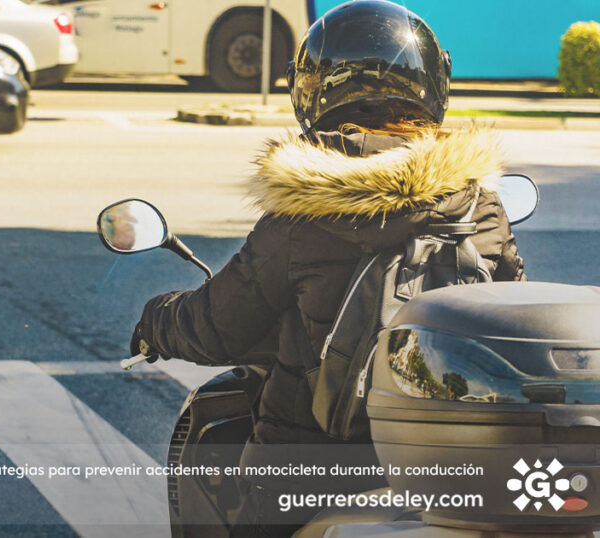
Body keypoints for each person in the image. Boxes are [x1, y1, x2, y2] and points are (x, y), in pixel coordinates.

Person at [129, 1, 525, 536]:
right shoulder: (478, 205)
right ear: (434, 83)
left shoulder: (301, 216)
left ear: (311, 91)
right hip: (452, 469)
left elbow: (219, 327)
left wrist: (157, 320)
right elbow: (515, 318)